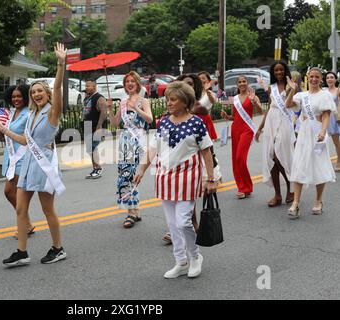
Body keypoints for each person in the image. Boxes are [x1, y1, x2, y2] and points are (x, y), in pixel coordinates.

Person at [133, 81, 216, 279]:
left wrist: (210, 178)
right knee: (172, 224)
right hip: (165, 179)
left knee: (183, 222)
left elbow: (206, 152)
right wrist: (142, 168)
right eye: (167, 99)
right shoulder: (163, 121)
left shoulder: (197, 122)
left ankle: (195, 257)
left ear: (184, 101)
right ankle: (180, 261)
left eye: (173, 99)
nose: (168, 103)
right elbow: (153, 148)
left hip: (188, 179)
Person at [0, 43, 67, 267]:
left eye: (40, 91)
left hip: (44, 165)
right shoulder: (32, 115)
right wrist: (5, 130)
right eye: (34, 91)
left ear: (47, 94)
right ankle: (22, 252)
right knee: (20, 208)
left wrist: (60, 63)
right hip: (28, 164)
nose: (37, 94)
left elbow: (57, 88)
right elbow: (26, 141)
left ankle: (58, 248)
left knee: (48, 210)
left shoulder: (52, 113)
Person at [285, 67, 336, 218]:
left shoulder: (324, 95)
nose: (314, 79)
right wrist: (291, 90)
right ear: (308, 77)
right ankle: (295, 203)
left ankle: (318, 200)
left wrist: (323, 131)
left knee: (319, 165)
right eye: (311, 76)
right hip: (304, 133)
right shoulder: (302, 95)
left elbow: (326, 115)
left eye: (317, 77)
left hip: (318, 132)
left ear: (321, 79)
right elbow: (288, 105)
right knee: (299, 164)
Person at [107, 71, 153, 228]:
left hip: (138, 140)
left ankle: (131, 213)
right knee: (124, 174)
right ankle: (135, 210)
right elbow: (114, 123)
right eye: (127, 81)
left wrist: (136, 108)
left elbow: (150, 119)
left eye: (133, 81)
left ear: (137, 83)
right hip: (125, 140)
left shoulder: (143, 101)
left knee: (132, 175)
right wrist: (109, 109)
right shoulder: (123, 102)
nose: (130, 83)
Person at [0, 84, 35, 239]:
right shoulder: (10, 114)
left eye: (19, 96)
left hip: (22, 157)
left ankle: (25, 225)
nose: (16, 99)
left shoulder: (28, 114)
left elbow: (26, 138)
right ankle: (27, 223)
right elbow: (0, 136)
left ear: (25, 97)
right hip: (10, 157)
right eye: (13, 96)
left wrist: (4, 130)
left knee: (10, 191)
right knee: (12, 193)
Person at [255, 61, 295, 207]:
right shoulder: (271, 88)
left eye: (281, 70)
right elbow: (270, 108)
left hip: (284, 122)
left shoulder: (291, 86)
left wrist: (292, 90)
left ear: (285, 71)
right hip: (271, 121)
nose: (279, 72)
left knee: (280, 157)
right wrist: (260, 128)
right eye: (276, 70)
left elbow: (294, 106)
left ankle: (291, 188)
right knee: (270, 157)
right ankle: (277, 195)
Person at [221, 76, 263, 199]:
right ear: (237, 85)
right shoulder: (234, 99)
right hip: (235, 129)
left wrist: (255, 102)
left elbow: (261, 111)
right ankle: (243, 187)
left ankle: (246, 187)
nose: (242, 83)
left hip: (247, 130)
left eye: (244, 81)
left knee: (240, 157)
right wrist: (226, 116)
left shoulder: (253, 97)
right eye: (239, 82)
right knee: (235, 159)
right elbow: (234, 117)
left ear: (247, 83)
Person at [82, 80, 108, 179]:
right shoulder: (88, 98)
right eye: (86, 86)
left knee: (93, 147)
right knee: (89, 149)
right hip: (87, 125)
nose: (86, 87)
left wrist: (99, 126)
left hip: (96, 126)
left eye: (89, 86)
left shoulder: (99, 98)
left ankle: (98, 168)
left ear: (94, 87)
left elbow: (104, 112)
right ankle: (94, 168)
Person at [323, 71, 340, 172]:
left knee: (337, 143)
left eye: (332, 77)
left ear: (335, 79)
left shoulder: (338, 90)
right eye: (328, 78)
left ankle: (339, 161)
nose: (329, 79)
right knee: (331, 142)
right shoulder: (323, 91)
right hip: (327, 118)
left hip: (336, 117)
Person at [198, 71, 218, 140]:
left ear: (208, 81)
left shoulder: (211, 93)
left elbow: (213, 101)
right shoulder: (194, 93)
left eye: (203, 78)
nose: (201, 80)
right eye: (199, 78)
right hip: (194, 121)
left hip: (205, 121)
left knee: (206, 146)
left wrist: (207, 91)